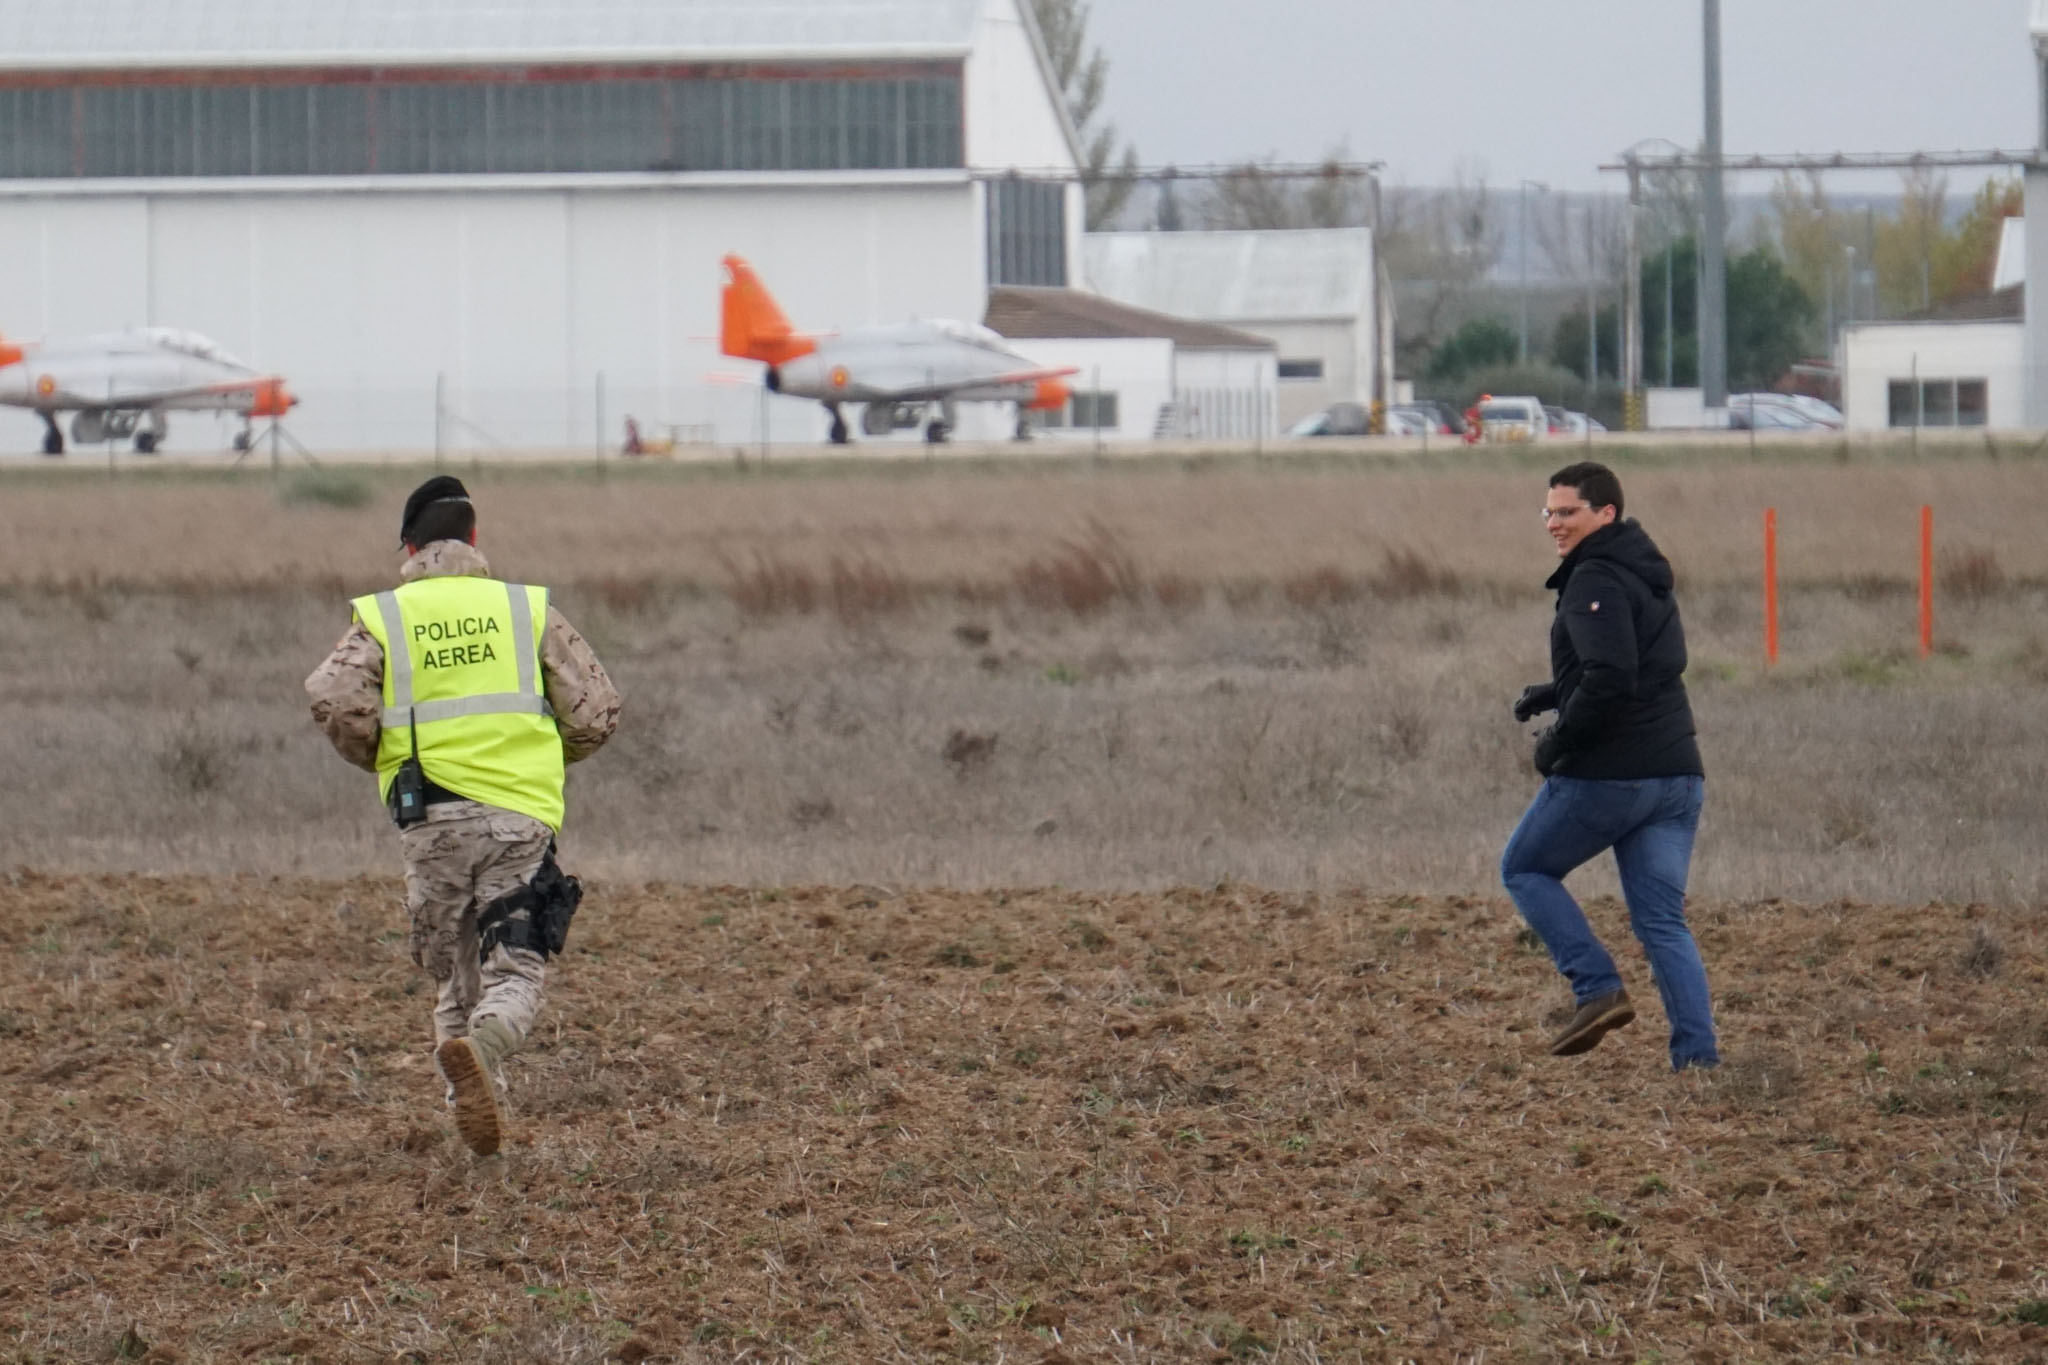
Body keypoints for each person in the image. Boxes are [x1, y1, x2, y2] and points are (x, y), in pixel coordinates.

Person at [306, 476, 622, 1154]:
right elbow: (597, 709)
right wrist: (541, 754)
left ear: (411, 547)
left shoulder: (388, 615)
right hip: (518, 818)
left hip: (431, 819)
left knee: (454, 972)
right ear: (474, 540)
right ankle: (483, 1050)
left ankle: (471, 1118)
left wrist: (381, 756)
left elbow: (333, 695)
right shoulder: (524, 610)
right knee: (515, 968)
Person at [1500, 461, 1716, 1071]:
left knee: (1524, 868)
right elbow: (1642, 666)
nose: (1554, 524)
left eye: (1567, 512)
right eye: (1549, 512)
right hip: (1678, 775)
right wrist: (1553, 692)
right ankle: (1697, 1064)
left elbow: (1614, 678)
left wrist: (1556, 743)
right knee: (1662, 923)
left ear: (1605, 514)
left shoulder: (1594, 576)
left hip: (1613, 776)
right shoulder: (1644, 571)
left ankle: (1596, 988)